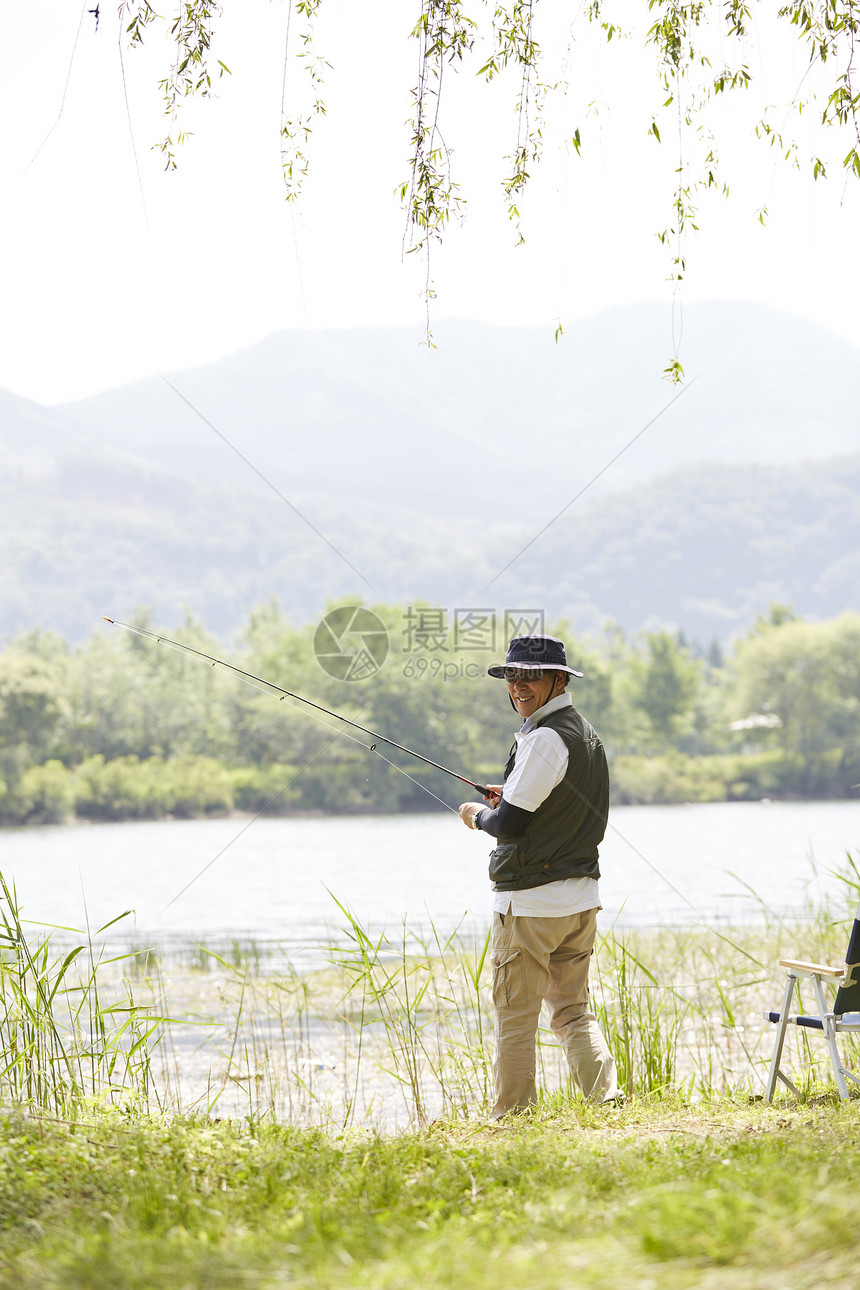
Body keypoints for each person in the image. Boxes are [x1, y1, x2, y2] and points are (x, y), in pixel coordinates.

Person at [459, 633, 618, 1118]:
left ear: (559, 680)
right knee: (571, 1010)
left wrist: (474, 814)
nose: (519, 685)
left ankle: (513, 1117)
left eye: (531, 676)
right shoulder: (581, 733)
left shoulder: (545, 737)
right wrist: (507, 793)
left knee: (516, 1017)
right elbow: (552, 803)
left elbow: (508, 825)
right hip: (579, 902)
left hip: (529, 907)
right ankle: (605, 1100)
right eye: (512, 675)